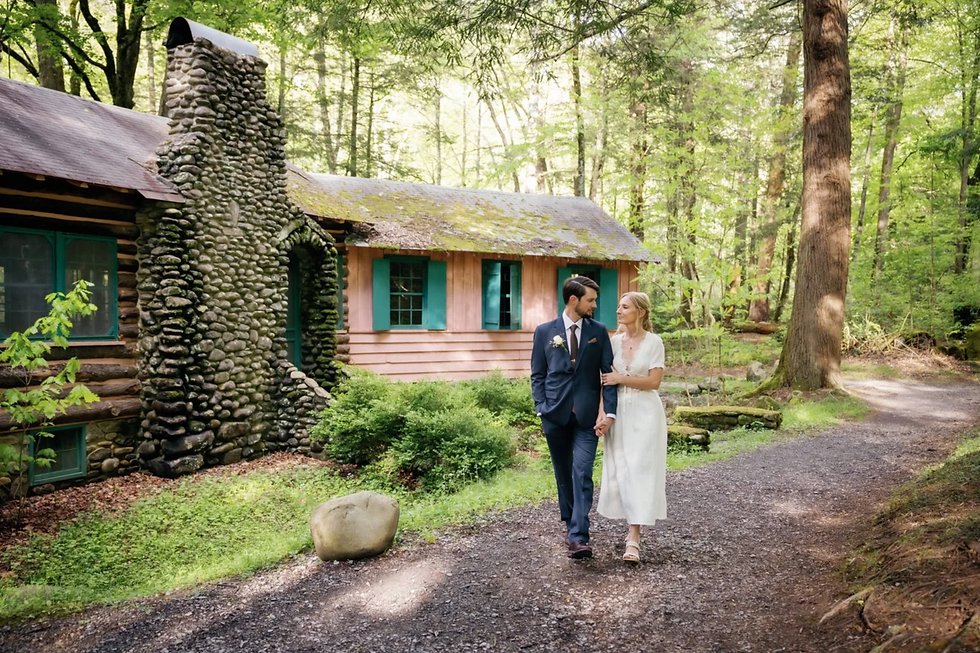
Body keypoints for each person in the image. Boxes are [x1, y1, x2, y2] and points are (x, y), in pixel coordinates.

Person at [530, 276, 618, 559]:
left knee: (582, 473)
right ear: (573, 300)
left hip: (587, 417)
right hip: (554, 414)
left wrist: (610, 412)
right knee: (563, 473)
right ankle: (571, 524)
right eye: (590, 299)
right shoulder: (545, 332)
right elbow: (537, 374)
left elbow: (609, 376)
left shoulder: (599, 331)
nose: (594, 305)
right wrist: (541, 406)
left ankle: (579, 537)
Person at [597, 291, 667, 563]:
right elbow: (604, 382)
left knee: (640, 469)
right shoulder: (613, 343)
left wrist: (621, 377)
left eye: (625, 306)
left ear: (641, 312)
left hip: (645, 412)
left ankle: (634, 537)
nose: (618, 310)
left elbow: (654, 382)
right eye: (618, 306)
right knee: (621, 468)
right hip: (619, 412)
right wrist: (604, 413)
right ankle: (628, 524)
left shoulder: (654, 342)